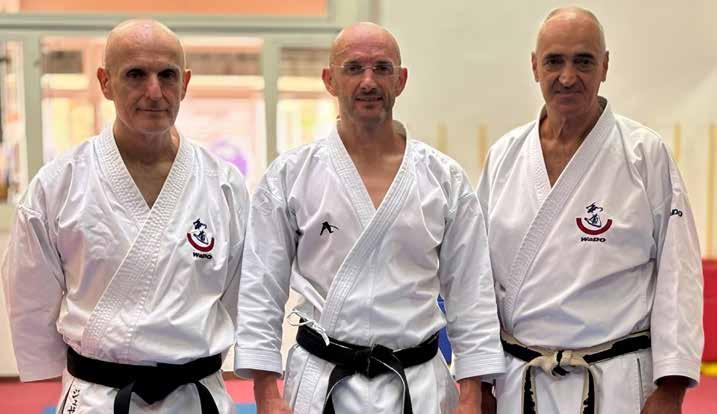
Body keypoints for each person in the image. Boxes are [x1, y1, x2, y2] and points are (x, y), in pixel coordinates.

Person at [234, 22, 505, 414]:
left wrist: (470, 395)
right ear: (329, 79)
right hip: (321, 382)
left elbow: (471, 293)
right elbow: (261, 289)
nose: (368, 81)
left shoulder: (443, 178)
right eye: (353, 68)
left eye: (382, 68)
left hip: (419, 386)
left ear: (401, 80)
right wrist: (267, 395)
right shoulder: (291, 175)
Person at [1, 19, 249, 414]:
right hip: (97, 398)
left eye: (167, 75)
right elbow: (31, 294)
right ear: (105, 82)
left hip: (194, 397)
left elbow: (239, 296)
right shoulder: (59, 183)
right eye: (135, 74)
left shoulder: (224, 184)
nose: (154, 91)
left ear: (185, 82)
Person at [476, 7, 703, 414]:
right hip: (519, 382)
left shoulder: (644, 154)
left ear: (605, 66)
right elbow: (477, 279)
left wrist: (671, 387)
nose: (567, 77)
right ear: (534, 66)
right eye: (554, 61)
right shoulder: (504, 157)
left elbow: (679, 274)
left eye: (583, 61)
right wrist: (478, 380)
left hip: (616, 384)